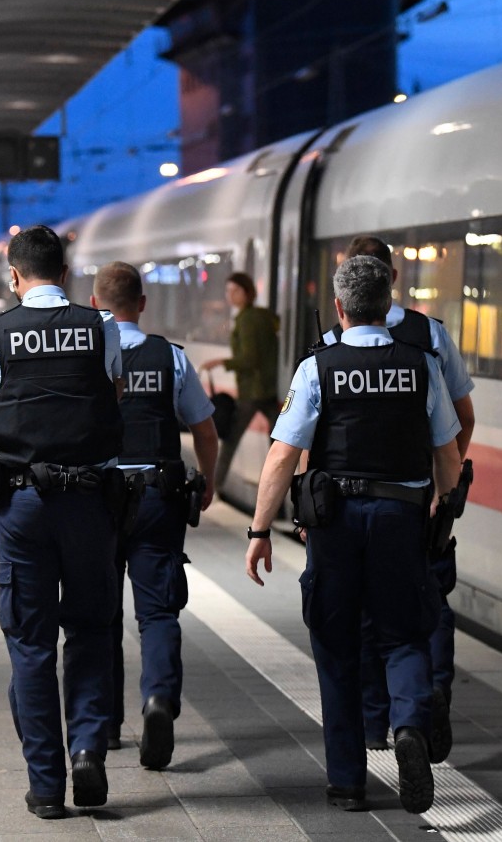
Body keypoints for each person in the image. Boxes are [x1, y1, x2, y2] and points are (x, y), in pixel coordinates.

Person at [245, 254, 462, 814]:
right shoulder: (421, 364)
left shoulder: (318, 367)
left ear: (339, 309)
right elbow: (448, 454)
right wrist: (441, 506)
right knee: (404, 632)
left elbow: (281, 456)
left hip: (335, 523)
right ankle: (409, 724)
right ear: (389, 305)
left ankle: (347, 782)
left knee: (337, 646)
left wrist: (259, 528)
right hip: (401, 517)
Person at [0, 225, 127, 820]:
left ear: (14, 275)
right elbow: (111, 394)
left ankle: (46, 785)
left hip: (23, 505)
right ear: (66, 273)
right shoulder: (103, 328)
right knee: (90, 628)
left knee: (31, 643)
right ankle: (89, 745)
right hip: (90, 501)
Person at [324, 235, 476, 763]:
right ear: (392, 283)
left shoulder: (331, 343)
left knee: (366, 617)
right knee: (424, 606)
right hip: (416, 501)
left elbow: (306, 439)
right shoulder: (429, 336)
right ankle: (430, 699)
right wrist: (443, 492)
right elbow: (461, 421)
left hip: (348, 507)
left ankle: (373, 725)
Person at [91, 261, 218, 770]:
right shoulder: (172, 359)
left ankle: (104, 725)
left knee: (99, 616)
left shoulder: (90, 358)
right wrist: (205, 480)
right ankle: (159, 699)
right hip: (158, 497)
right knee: (158, 612)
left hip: (99, 498)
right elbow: (205, 430)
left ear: (96, 305)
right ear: (141, 304)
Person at [199, 272, 279, 488]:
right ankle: (280, 494)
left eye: (235, 291)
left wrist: (221, 362)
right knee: (278, 445)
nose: (230, 296)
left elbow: (249, 358)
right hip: (269, 389)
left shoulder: (246, 319)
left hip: (252, 391)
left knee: (230, 440)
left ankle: (212, 487)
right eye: (227, 291)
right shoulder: (263, 315)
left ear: (247, 292)